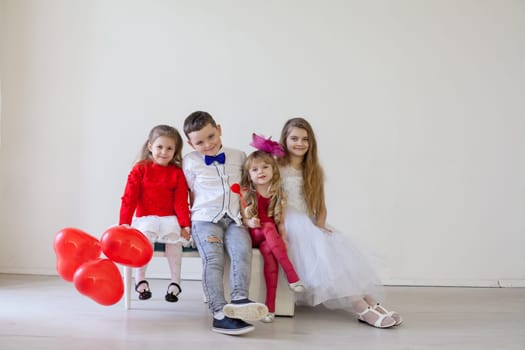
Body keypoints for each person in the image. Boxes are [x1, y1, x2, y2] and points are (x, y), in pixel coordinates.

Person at [278, 117, 403, 328]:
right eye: (294, 138)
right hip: (288, 221)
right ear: (285, 139)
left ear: (311, 143)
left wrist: (320, 226)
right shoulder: (277, 166)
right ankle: (359, 305)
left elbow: (320, 205)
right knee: (323, 250)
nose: (300, 143)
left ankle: (370, 302)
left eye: (305, 139)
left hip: (307, 221)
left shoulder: (313, 169)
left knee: (334, 243)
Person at [182, 111, 268, 336]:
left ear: (219, 129)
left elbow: (247, 190)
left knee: (242, 252)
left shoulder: (239, 156)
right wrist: (187, 225)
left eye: (211, 136)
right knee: (213, 259)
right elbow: (190, 193)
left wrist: (248, 215)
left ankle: (239, 299)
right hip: (205, 219)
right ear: (190, 143)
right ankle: (219, 313)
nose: (207, 144)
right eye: (199, 142)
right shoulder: (190, 162)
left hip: (235, 218)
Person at [119, 124, 191, 303]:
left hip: (169, 218)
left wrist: (184, 224)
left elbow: (181, 201)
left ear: (175, 151)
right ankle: (140, 279)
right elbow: (129, 198)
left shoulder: (176, 173)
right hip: (146, 219)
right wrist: (124, 224)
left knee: (174, 242)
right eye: (160, 147)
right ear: (150, 146)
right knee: (145, 241)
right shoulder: (140, 169)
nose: (164, 152)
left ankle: (175, 282)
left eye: (169, 148)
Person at [238, 134, 305, 323]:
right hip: (254, 233)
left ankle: (270, 309)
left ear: (273, 170)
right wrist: (249, 222)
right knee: (267, 225)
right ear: (249, 175)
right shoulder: (246, 192)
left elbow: (281, 221)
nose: (261, 172)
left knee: (269, 256)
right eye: (255, 169)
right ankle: (292, 275)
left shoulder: (277, 193)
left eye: (265, 167)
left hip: (269, 238)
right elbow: (243, 216)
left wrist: (283, 237)